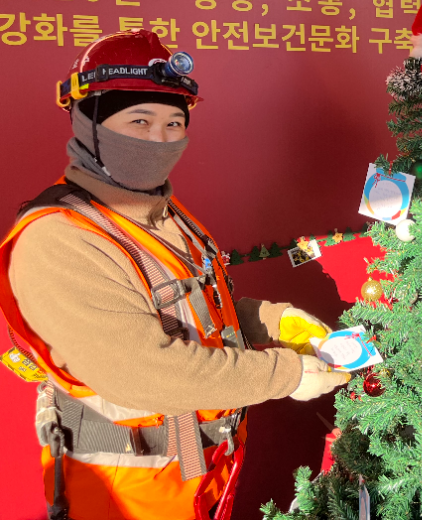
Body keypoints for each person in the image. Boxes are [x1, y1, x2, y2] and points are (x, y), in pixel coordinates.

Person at [0, 30, 349, 520]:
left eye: (173, 123)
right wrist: (285, 375)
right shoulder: (59, 237)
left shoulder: (159, 212)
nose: (160, 140)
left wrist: (268, 321)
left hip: (199, 472)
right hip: (126, 492)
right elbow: (143, 368)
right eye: (139, 121)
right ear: (89, 123)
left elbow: (180, 308)